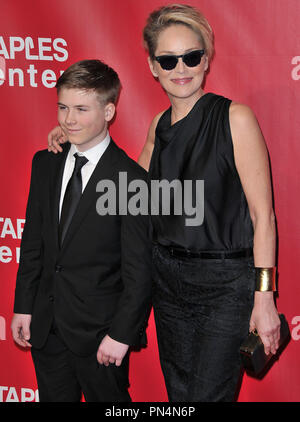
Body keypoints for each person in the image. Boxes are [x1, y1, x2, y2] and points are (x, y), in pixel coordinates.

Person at [47, 4, 281, 402]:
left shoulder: (234, 118)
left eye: (191, 57)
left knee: (208, 396)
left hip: (225, 286)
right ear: (153, 67)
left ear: (206, 60)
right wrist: (80, 133)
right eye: (168, 60)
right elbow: (124, 190)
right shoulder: (159, 125)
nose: (181, 69)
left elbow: (263, 215)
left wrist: (265, 298)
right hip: (167, 285)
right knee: (179, 397)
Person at [11, 59, 152, 402]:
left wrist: (121, 334)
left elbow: (140, 269)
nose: (68, 119)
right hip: (47, 329)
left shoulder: (131, 180)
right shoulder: (45, 163)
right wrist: (24, 306)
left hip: (101, 336)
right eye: (62, 107)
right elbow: (33, 245)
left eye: (80, 109)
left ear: (108, 111)